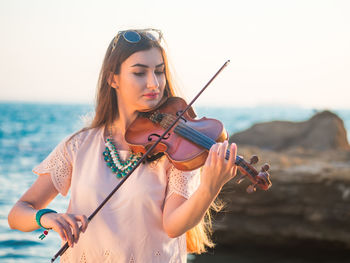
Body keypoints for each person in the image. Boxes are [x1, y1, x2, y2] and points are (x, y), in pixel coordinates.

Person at [8, 28, 238, 262]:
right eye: (139, 73)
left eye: (159, 72)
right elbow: (18, 213)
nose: (154, 84)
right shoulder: (78, 146)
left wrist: (209, 188)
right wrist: (46, 217)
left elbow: (173, 226)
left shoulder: (176, 148)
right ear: (113, 78)